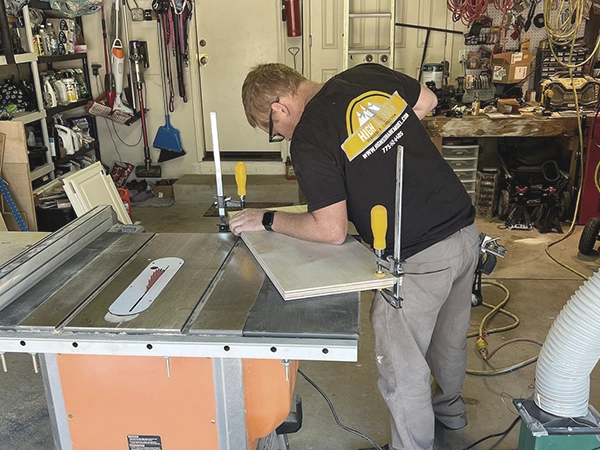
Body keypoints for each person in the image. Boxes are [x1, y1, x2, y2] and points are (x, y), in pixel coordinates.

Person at [229, 62, 479, 450]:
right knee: (449, 338)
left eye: (272, 130)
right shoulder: (364, 75)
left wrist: (268, 219)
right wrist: (380, 139)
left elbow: (331, 231)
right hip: (464, 229)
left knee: (403, 366)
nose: (278, 135)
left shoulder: (309, 137)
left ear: (279, 108)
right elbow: (426, 101)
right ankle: (451, 414)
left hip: (419, 254)